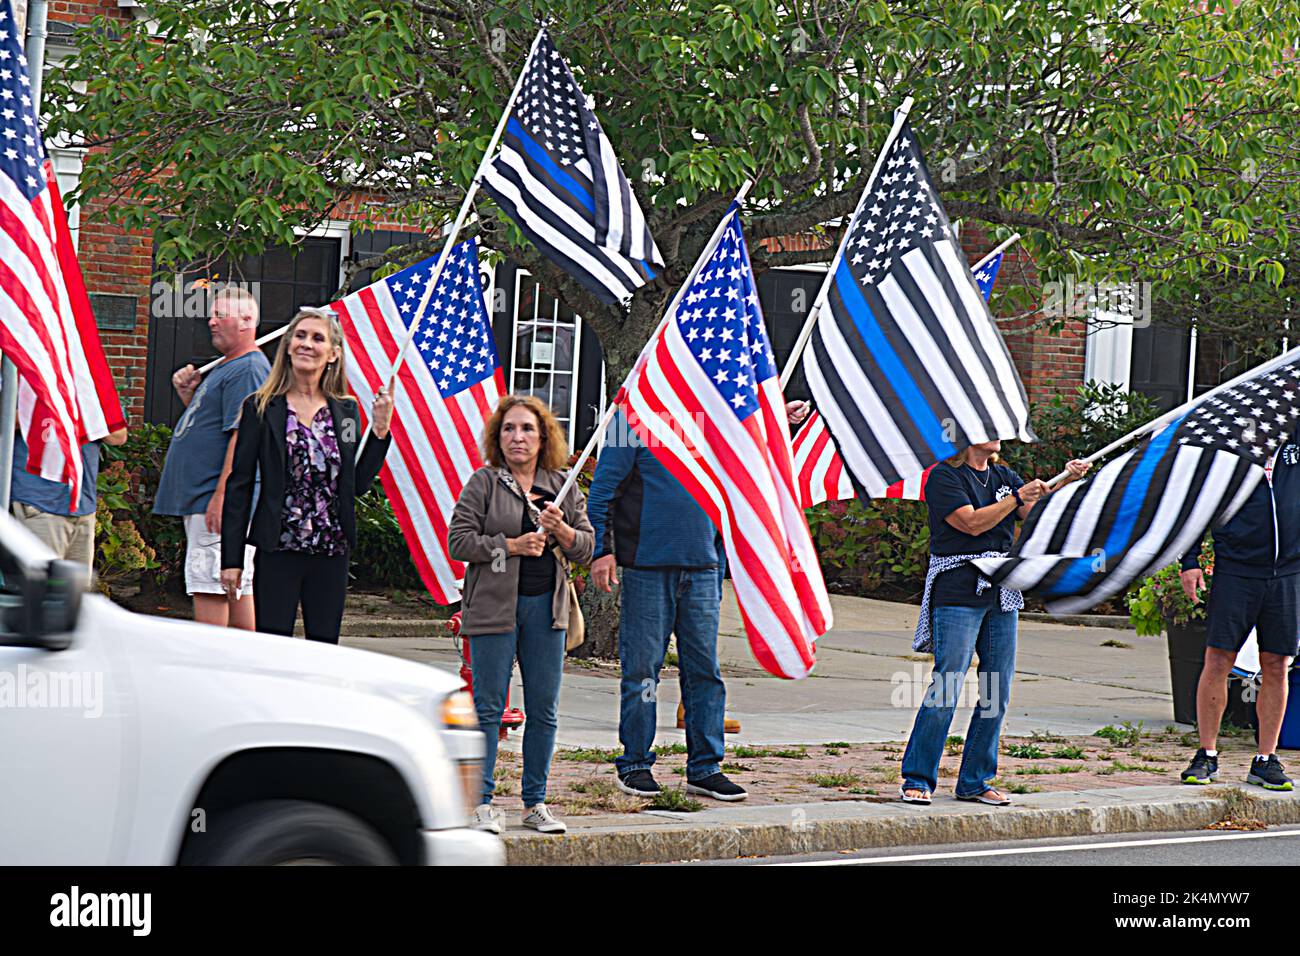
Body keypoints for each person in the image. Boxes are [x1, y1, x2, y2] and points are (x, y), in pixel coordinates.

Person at [899, 442, 1089, 806]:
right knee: (947, 684)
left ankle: (975, 779)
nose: (999, 434)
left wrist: (1067, 481)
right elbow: (970, 524)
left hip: (1001, 587)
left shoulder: (1003, 476)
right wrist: (1016, 497)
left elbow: (1036, 514)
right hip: (957, 587)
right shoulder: (944, 477)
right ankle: (918, 777)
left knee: (996, 689)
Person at [449, 395, 594, 836]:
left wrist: (563, 530)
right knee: (488, 707)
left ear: (543, 435)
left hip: (546, 612)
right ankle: (482, 803)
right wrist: (510, 547)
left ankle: (536, 802)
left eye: (527, 429)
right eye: (509, 429)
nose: (518, 437)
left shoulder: (562, 484)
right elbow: (459, 542)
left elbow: (587, 547)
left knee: (544, 709)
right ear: (498, 436)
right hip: (494, 609)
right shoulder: (485, 483)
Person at [219, 307, 392, 644]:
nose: (306, 344)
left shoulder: (345, 411)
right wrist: (232, 559)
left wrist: (380, 433)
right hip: (278, 548)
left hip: (331, 551)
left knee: (324, 650)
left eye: (317, 338)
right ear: (287, 345)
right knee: (273, 646)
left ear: (333, 353)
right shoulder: (261, 407)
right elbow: (238, 486)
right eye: (300, 336)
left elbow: (355, 485)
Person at [1179, 440, 1299, 791]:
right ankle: (1207, 753)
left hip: (1289, 571)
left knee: (1278, 662)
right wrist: (1190, 561)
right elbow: (1196, 506)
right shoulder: (1229, 447)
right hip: (1237, 568)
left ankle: (1266, 758)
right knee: (1219, 657)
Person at [153, 287, 270, 628]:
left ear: (247, 321)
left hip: (213, 500)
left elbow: (243, 436)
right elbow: (215, 428)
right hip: (207, 497)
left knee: (213, 584)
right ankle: (242, 669)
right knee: (233, 585)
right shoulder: (227, 368)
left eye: (221, 314)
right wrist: (188, 396)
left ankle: (213, 665)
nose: (211, 320)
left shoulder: (247, 369)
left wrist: (223, 496)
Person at [10, 427, 128, 569]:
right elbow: (6, 418)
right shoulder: (28, 403)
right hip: (39, 503)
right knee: (42, 586)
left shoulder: (97, 404)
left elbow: (119, 436)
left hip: (83, 507)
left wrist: (86, 416)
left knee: (77, 588)